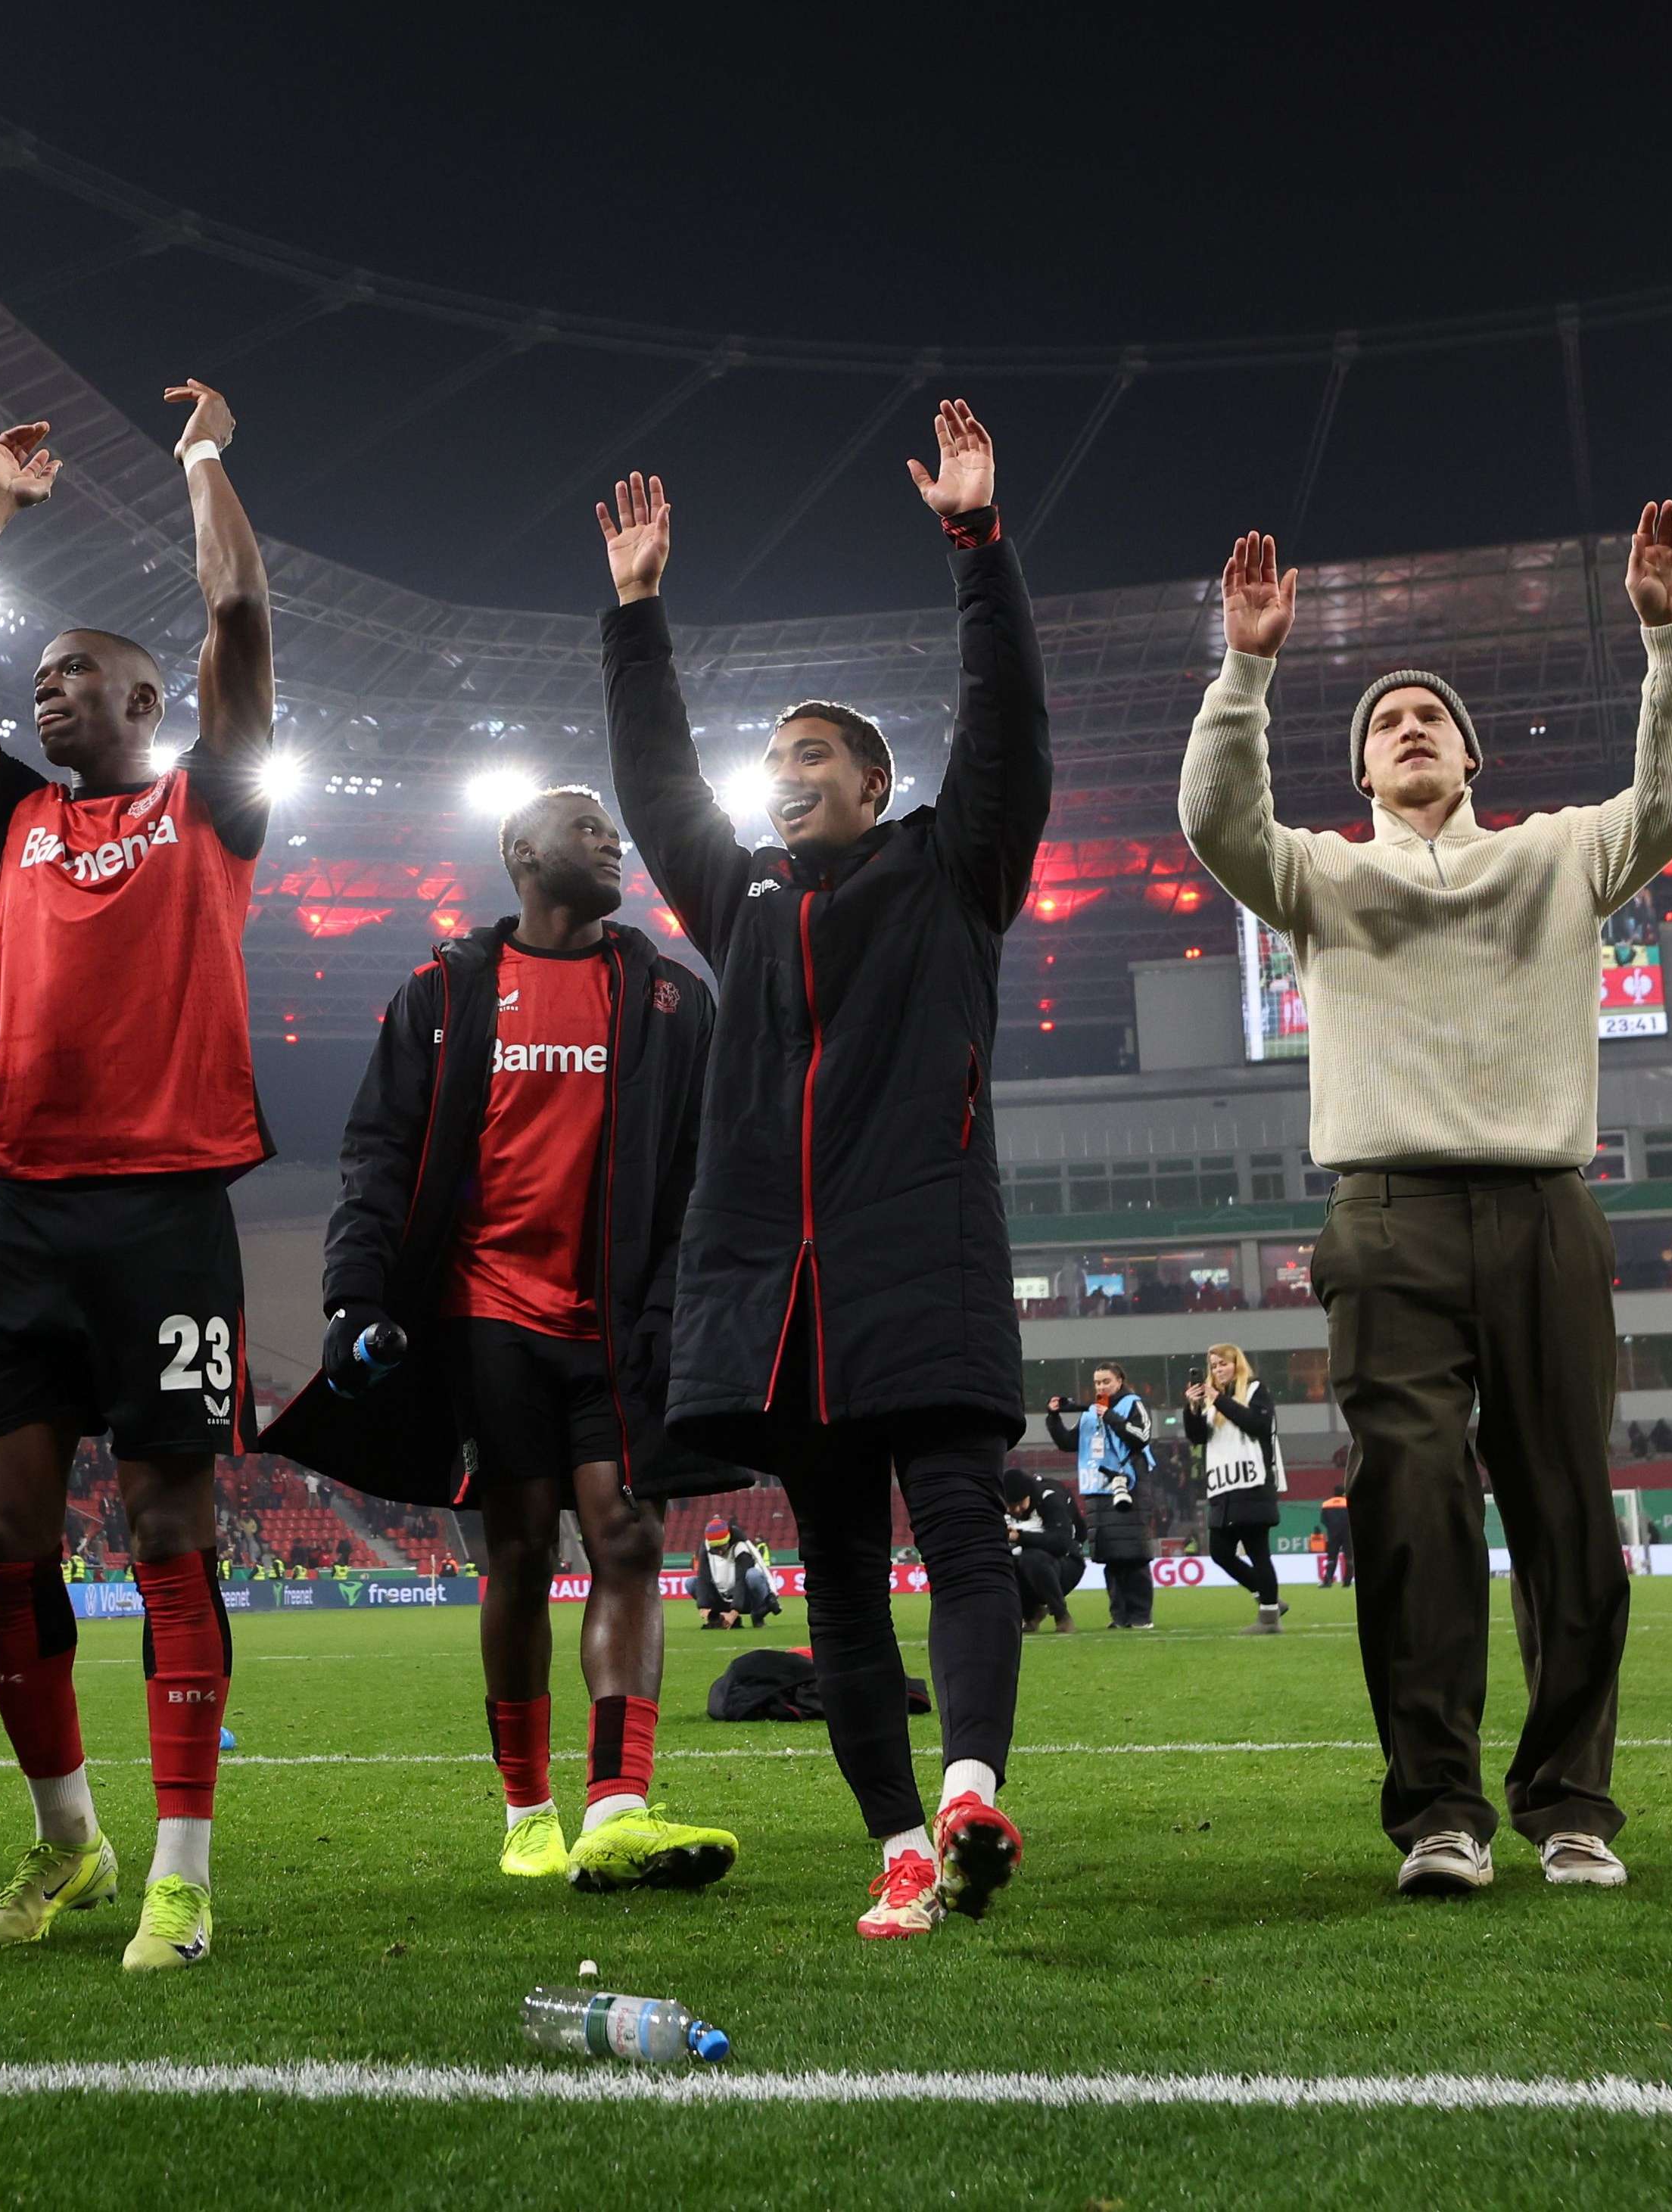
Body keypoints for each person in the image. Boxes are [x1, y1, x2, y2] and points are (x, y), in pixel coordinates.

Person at [1178, 505, 1672, 1896]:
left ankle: (1570, 1802)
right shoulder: (1318, 874)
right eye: (1385, 721)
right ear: (1359, 764)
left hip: (1545, 1209)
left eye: (1432, 715)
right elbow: (1212, 818)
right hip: (1388, 1215)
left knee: (1566, 1511)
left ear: (1472, 753)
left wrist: (1670, 640)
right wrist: (1244, 673)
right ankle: (1439, 1811)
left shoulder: (1559, 851)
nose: (1411, 728)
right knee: (1409, 1500)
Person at [594, 400, 1050, 1939]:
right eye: (773, 757)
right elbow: (659, 791)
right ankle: (903, 1843)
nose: (783, 773)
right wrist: (637, 617)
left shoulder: (955, 869)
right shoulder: (740, 903)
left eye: (813, 756)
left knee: (967, 1535)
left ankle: (976, 1786)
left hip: (918, 1258)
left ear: (873, 781)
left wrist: (977, 548)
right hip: (777, 1297)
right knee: (843, 1582)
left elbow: (1008, 733)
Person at [0, 383, 272, 1971]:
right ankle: (71, 1845)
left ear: (144, 704)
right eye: (36, 681)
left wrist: (198, 462)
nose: (46, 698)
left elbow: (238, 611)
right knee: (4, 1532)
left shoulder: (212, 803)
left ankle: (184, 1866)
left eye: (76, 682)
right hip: (26, 1215)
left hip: (171, 1205)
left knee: (170, 1528)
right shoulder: (17, 824)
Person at [260, 784, 744, 1892]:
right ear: (520, 852)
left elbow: (712, 1163)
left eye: (615, 832)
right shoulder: (444, 991)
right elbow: (378, 1152)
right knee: (521, 1551)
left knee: (626, 1537)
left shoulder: (673, 997)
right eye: (587, 829)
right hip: (486, 1315)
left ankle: (617, 1804)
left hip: (625, 1321)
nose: (612, 842)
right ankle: (529, 1807)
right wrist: (352, 1295)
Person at [1185, 1345, 1290, 1634]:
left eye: (1223, 1364)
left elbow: (1257, 1424)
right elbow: (1197, 1438)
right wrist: (1192, 1409)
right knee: (1220, 1552)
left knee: (1258, 1550)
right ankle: (1268, 1598)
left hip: (1252, 1482)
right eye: (1214, 1366)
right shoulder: (1210, 1402)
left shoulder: (1255, 1389)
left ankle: (1269, 1619)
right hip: (1222, 1486)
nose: (1218, 1370)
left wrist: (1219, 1399)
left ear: (1237, 1364)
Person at [1044, 1367, 1156, 1629]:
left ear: (1120, 1381)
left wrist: (1113, 1418)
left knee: (1134, 1555)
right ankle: (1119, 1617)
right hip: (1097, 1489)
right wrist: (1053, 1418)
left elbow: (1142, 1437)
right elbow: (1068, 1443)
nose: (1101, 1387)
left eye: (1106, 1381)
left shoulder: (1132, 1404)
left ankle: (1141, 1617)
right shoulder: (1091, 1412)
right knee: (1110, 1557)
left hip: (1128, 1486)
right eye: (1097, 1382)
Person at [1010, 1469, 1083, 1634]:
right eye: (1010, 1506)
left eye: (1019, 1503)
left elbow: (1061, 1543)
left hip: (1068, 1563)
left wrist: (1020, 1538)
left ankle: (1061, 1615)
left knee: (1032, 1558)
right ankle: (1030, 1613)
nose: (1015, 1510)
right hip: (1034, 1566)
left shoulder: (1050, 1498)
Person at [696, 1518, 781, 1631]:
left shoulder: (741, 1547)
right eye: (715, 1549)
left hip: (746, 1597)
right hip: (724, 1595)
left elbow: (740, 1582)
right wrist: (703, 1607)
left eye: (722, 1547)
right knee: (691, 1583)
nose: (720, 1552)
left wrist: (734, 1612)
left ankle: (758, 1614)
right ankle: (721, 1618)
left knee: (753, 1576)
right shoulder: (705, 1547)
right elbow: (703, 1578)